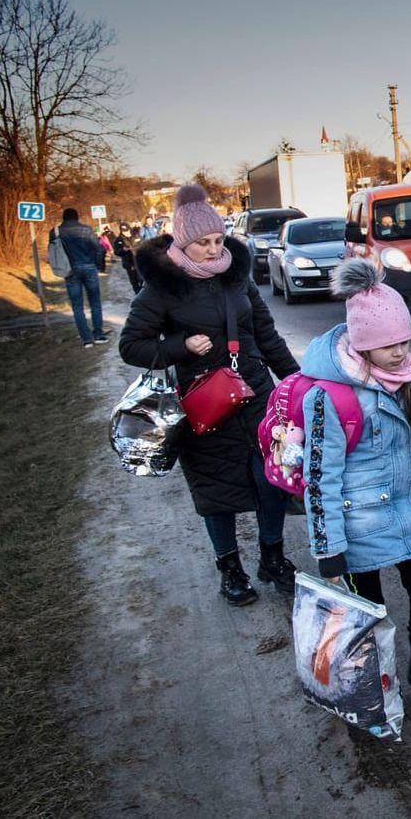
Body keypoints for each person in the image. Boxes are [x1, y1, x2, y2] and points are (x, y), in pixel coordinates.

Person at [120, 185, 301, 606]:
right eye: (203, 243)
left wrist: (295, 381)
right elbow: (131, 346)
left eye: (219, 240)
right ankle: (230, 570)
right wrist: (179, 347)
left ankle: (272, 557)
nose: (214, 249)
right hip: (203, 401)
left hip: (256, 391)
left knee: (273, 475)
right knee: (215, 487)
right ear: (183, 242)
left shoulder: (236, 277)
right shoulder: (162, 288)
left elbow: (266, 334)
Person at [301, 258, 411, 704]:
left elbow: (405, 446)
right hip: (356, 530)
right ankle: (371, 681)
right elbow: (319, 479)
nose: (400, 352)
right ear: (360, 344)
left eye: (404, 341)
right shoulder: (328, 396)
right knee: (367, 614)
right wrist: (329, 553)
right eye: (388, 345)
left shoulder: (401, 379)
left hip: (402, 514)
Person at [52, 207, 110, 348]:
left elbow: (53, 251)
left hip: (70, 271)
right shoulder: (86, 229)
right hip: (89, 267)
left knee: (77, 306)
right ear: (77, 217)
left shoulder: (56, 232)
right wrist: (97, 265)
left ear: (63, 218)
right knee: (95, 302)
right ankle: (98, 335)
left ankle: (87, 339)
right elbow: (98, 248)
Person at [112, 222, 143, 292]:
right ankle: (138, 296)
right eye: (123, 231)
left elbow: (143, 244)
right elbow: (116, 251)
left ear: (129, 229)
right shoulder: (118, 240)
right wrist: (123, 249)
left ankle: (143, 296)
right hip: (128, 263)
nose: (125, 233)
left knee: (142, 279)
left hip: (139, 261)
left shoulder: (136, 235)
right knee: (134, 282)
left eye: (127, 231)